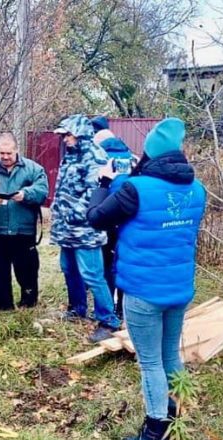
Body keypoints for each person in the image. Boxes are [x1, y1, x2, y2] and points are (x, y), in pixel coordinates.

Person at [87, 118, 206, 440]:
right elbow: (154, 201)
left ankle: (155, 430)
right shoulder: (197, 190)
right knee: (170, 355)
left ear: (149, 153)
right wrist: (124, 182)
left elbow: (96, 217)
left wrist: (103, 181)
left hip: (143, 292)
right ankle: (177, 414)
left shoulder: (133, 190)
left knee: (150, 361)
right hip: (179, 289)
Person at [51, 114, 122, 343]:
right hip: (67, 229)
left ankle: (108, 320)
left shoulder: (95, 156)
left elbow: (94, 194)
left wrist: (73, 214)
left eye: (68, 135)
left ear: (80, 134)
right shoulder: (70, 156)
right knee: (68, 268)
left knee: (92, 274)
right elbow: (63, 189)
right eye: (63, 135)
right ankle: (77, 308)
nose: (65, 140)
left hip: (86, 230)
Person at [0, 133, 48, 310]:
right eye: (1, 153)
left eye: (9, 153)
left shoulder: (33, 169)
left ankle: (29, 303)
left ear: (17, 150)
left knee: (27, 271)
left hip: (23, 231)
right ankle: (4, 306)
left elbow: (42, 191)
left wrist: (26, 194)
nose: (5, 157)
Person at [92, 129, 135, 320]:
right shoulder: (135, 158)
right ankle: (122, 308)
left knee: (106, 264)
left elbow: (93, 189)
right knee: (123, 263)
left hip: (106, 217)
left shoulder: (98, 160)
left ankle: (108, 306)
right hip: (129, 220)